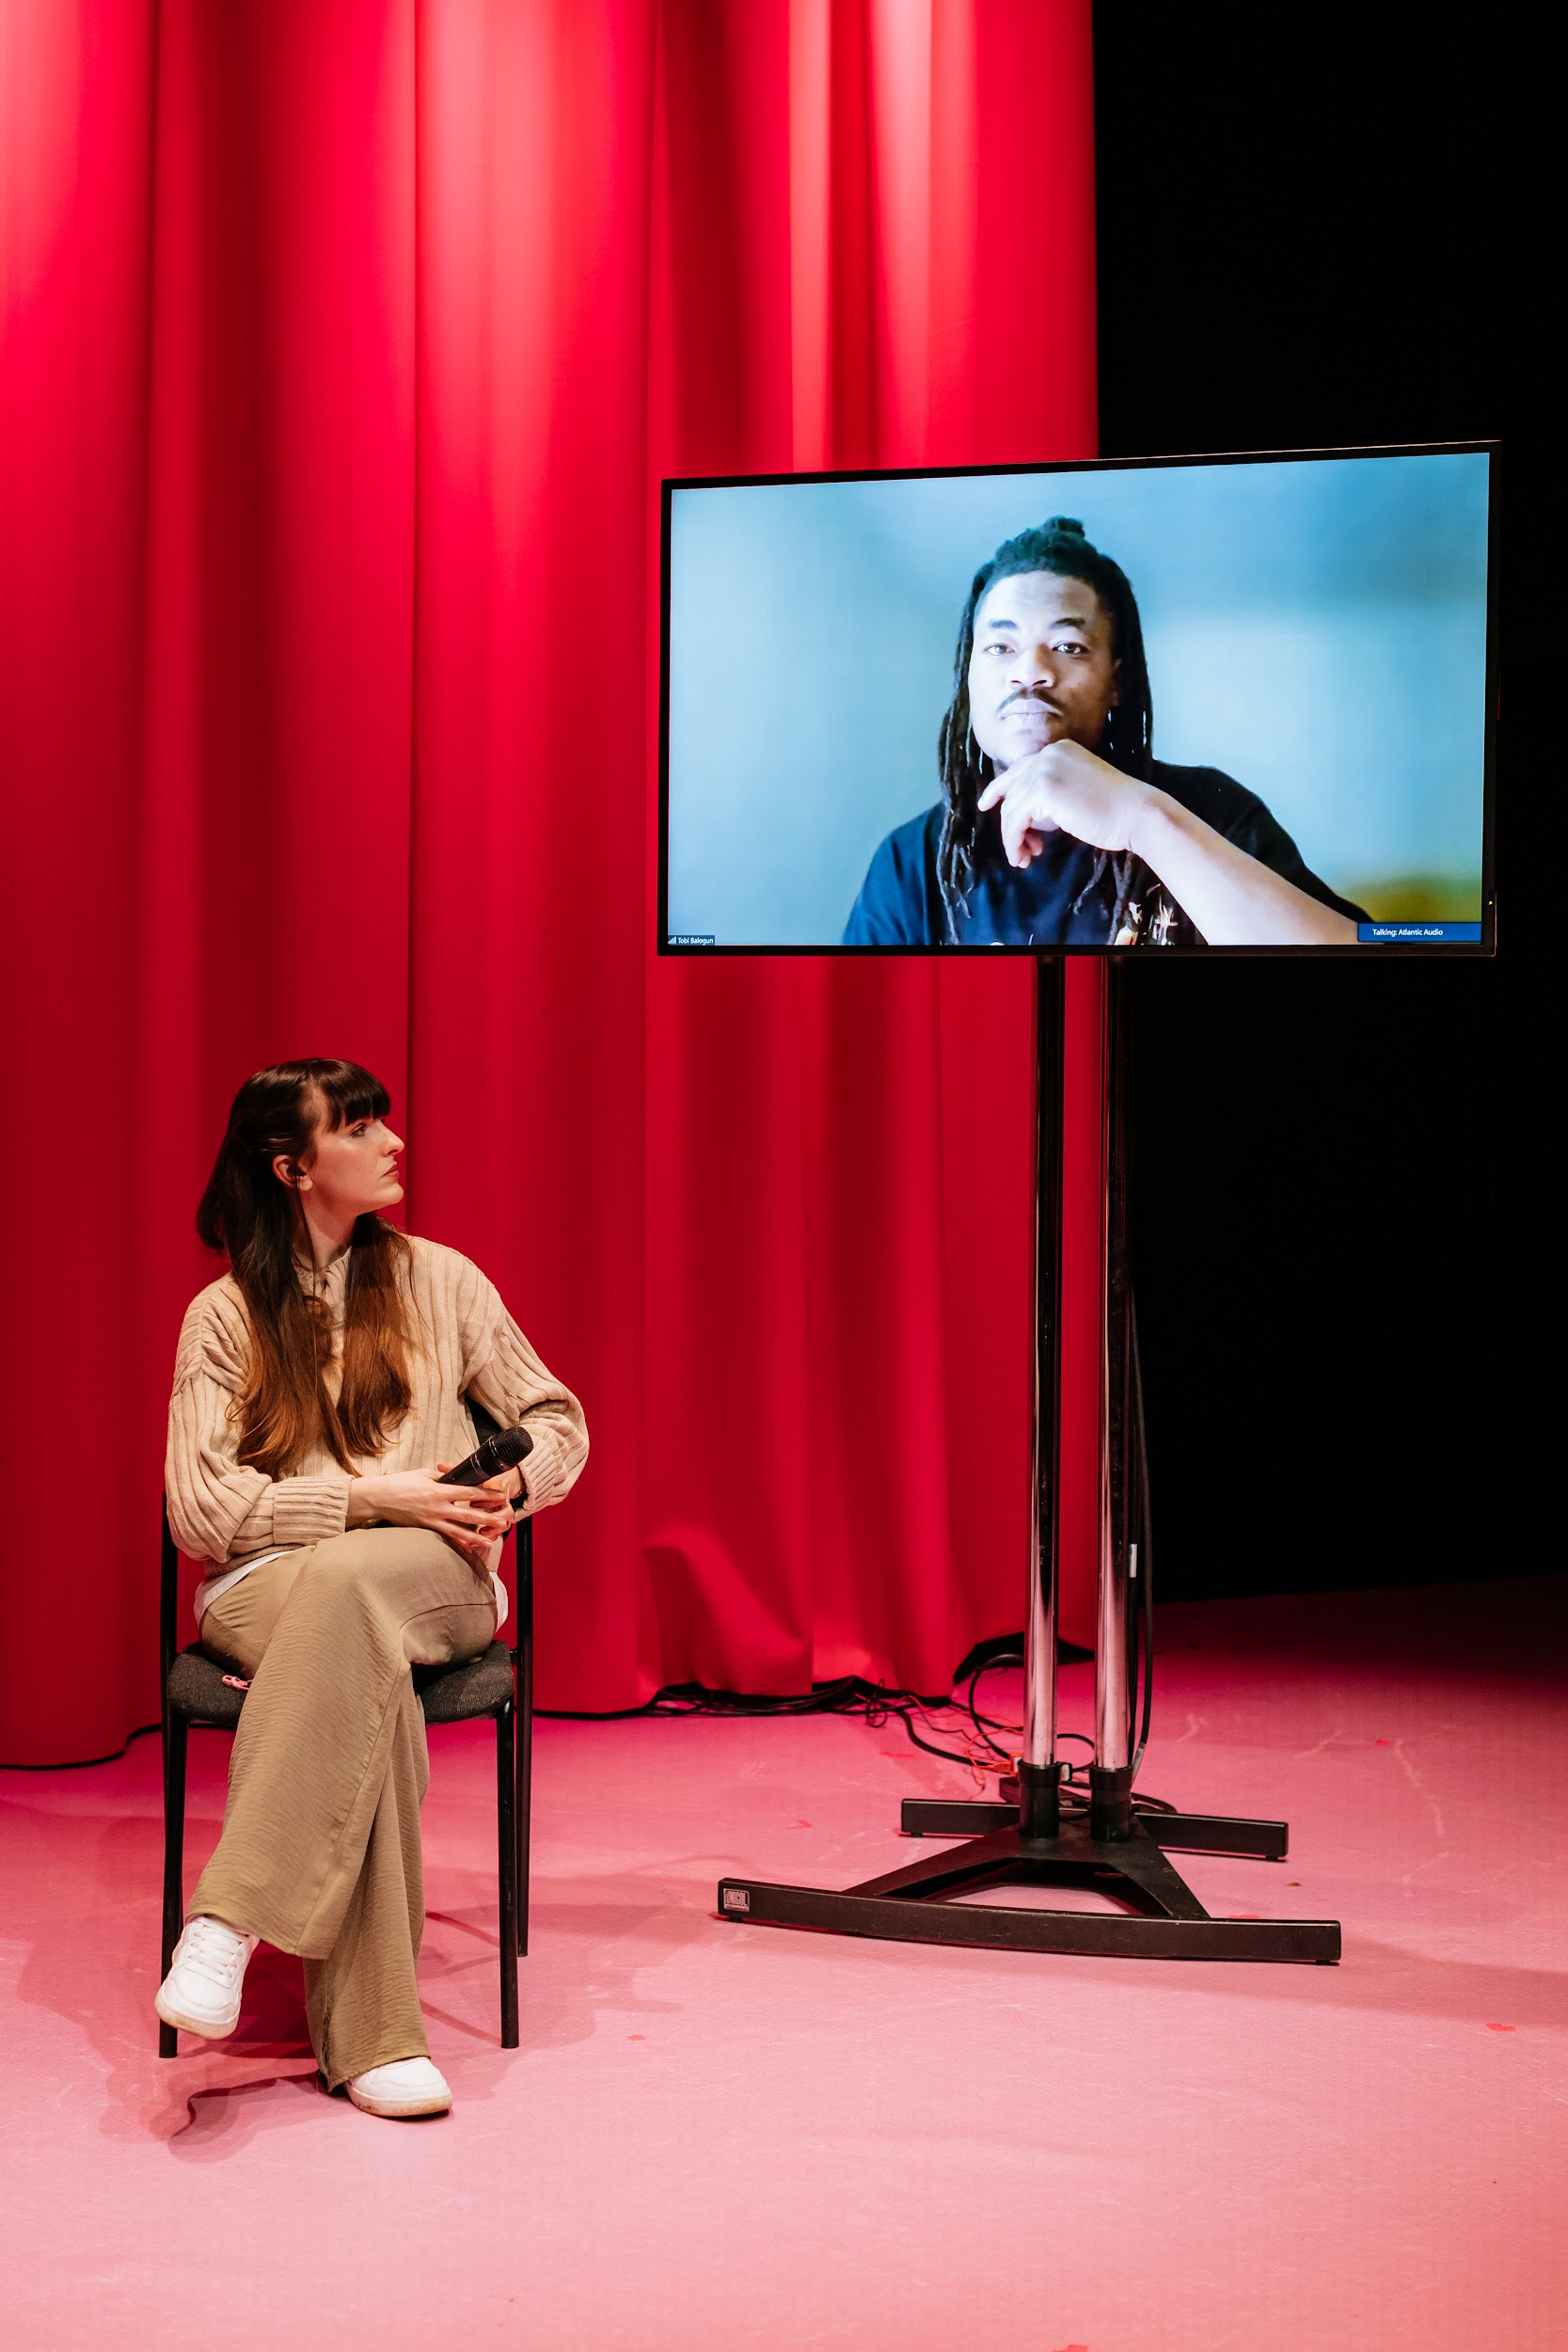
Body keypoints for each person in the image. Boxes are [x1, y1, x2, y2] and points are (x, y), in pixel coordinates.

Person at [155, 1059, 588, 2119]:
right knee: (363, 1662)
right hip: (264, 1585)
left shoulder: (445, 1281)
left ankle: (226, 1915)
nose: (392, 1140)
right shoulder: (221, 1317)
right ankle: (375, 2041)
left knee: (356, 1595)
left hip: (438, 1574)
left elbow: (558, 1422)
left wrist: (509, 1485)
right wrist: (365, 1500)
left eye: (384, 1118)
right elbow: (201, 1515)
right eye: (359, 1127)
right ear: (295, 1166)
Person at [843, 516, 1368, 947]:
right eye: (1000, 648)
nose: (1030, 670)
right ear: (968, 679)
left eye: (1068, 646)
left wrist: (1142, 820)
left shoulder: (1213, 809)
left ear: (1117, 681)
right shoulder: (912, 862)